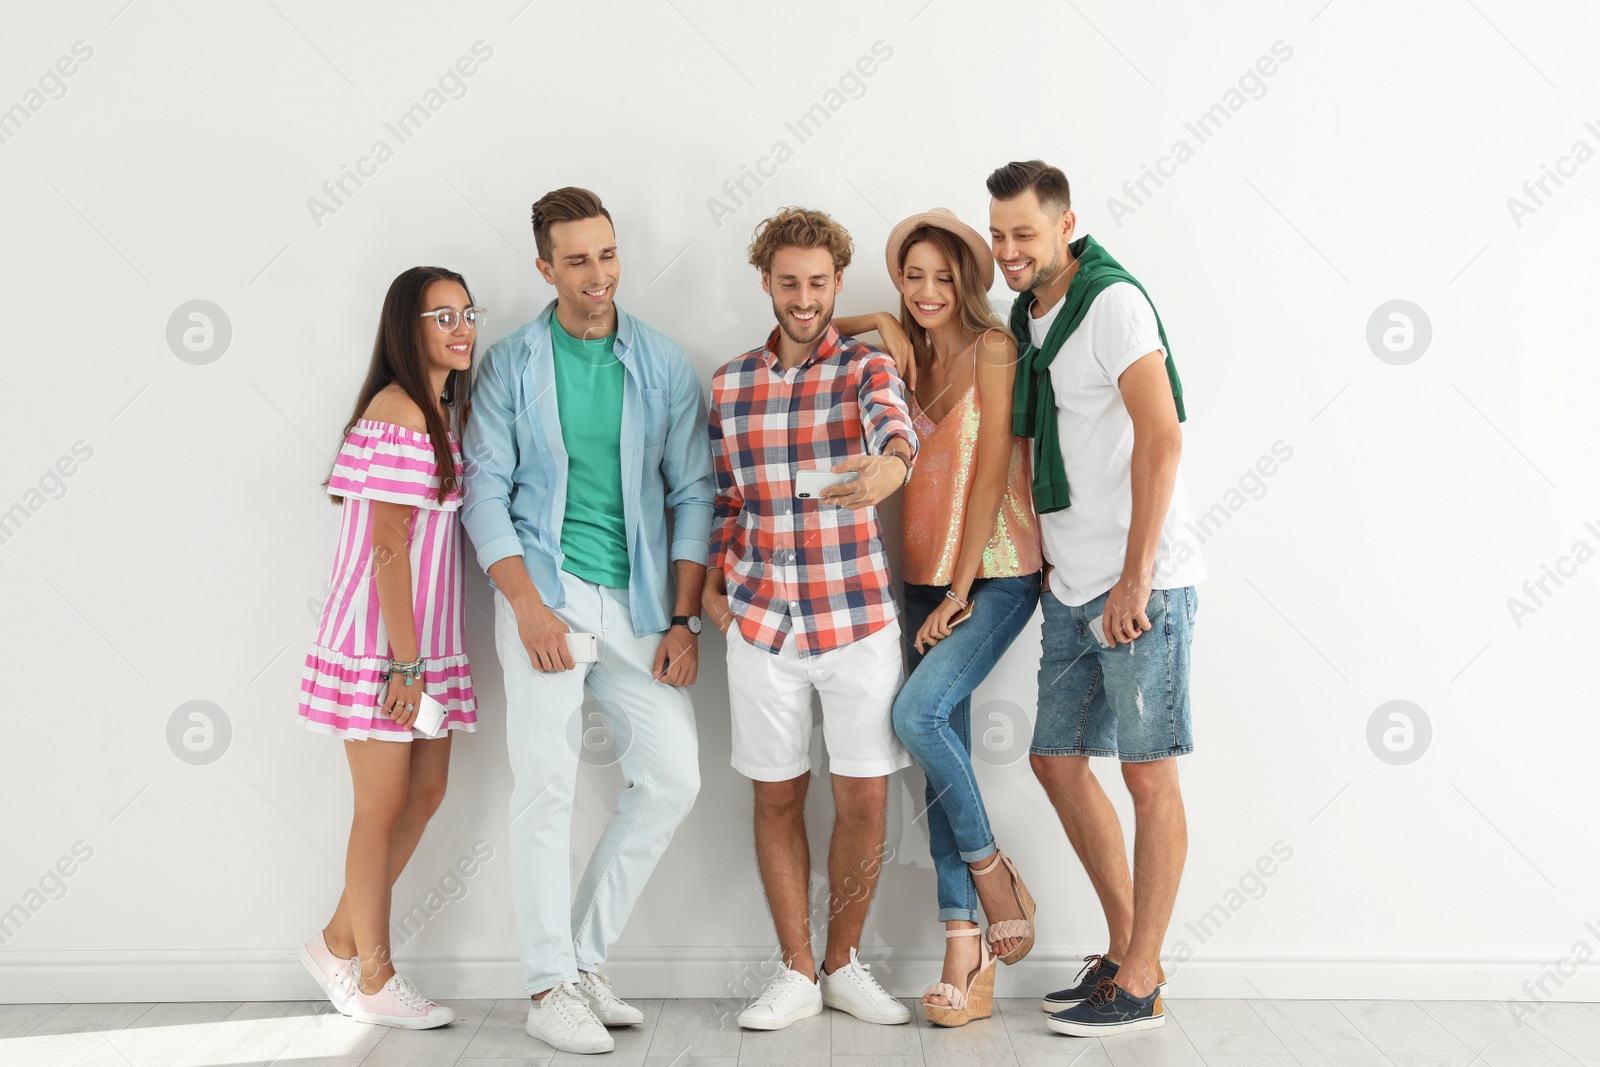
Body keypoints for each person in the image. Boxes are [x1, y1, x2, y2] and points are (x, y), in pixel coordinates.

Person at [461, 187, 714, 1055]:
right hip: (547, 590)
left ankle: (583, 961)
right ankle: (544, 983)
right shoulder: (509, 363)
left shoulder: (663, 362)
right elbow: (484, 493)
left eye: (606, 254)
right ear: (545, 267)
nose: (598, 274)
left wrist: (683, 620)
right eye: (577, 259)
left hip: (639, 599)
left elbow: (691, 492)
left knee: (674, 778)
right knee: (547, 785)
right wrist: (528, 608)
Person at [988, 160, 1206, 1037]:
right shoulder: (1029, 315)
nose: (1008, 250)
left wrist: (1135, 575)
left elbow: (1161, 437)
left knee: (1148, 775)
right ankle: (1124, 953)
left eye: (1025, 234)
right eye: (998, 234)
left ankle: (1144, 976)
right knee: (1054, 758)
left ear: (1066, 224)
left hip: (1138, 584)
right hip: (1071, 584)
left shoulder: (1112, 302)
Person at [703, 206, 917, 1032]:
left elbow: (896, 438)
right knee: (777, 795)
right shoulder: (729, 383)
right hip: (760, 624)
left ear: (837, 282)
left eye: (818, 282)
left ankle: (843, 963)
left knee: (865, 799)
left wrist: (886, 470)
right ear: (766, 281)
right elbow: (724, 497)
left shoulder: (865, 369)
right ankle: (794, 968)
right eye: (788, 282)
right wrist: (716, 594)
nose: (803, 298)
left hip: (856, 618)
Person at [840, 208, 1045, 1027]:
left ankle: (993, 869)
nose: (927, 291)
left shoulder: (995, 349)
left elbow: (991, 472)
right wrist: (883, 321)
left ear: (969, 280)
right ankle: (966, 948)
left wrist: (961, 591)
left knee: (916, 714)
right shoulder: (899, 356)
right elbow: (797, 320)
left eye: (943, 276)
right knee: (935, 754)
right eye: (911, 277)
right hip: (921, 580)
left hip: (994, 572)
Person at [295, 265, 481, 1030]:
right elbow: (387, 550)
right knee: (378, 807)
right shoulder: (400, 409)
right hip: (382, 646)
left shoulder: (440, 409)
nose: (462, 327)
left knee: (424, 794)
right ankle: (373, 972)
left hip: (426, 643)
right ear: (407, 327)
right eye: (442, 317)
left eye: (467, 312)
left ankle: (336, 940)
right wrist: (405, 663)